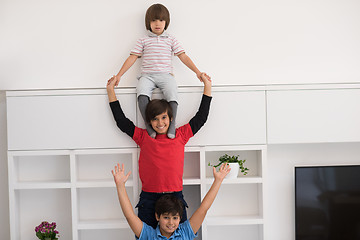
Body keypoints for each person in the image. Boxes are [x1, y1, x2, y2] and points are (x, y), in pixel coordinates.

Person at [106, 73, 212, 228]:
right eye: (155, 119)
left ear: (170, 118)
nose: (160, 123)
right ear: (149, 121)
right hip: (149, 198)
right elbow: (121, 122)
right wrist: (110, 91)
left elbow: (201, 117)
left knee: (180, 237)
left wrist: (207, 87)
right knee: (145, 236)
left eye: (163, 118)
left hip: (175, 196)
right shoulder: (144, 137)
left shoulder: (180, 135)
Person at [112, 3, 210, 139]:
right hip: (147, 76)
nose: (157, 23)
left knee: (172, 93)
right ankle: (148, 124)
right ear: (148, 22)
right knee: (141, 93)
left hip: (166, 76)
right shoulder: (143, 40)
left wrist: (197, 72)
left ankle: (171, 124)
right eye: (153, 20)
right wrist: (119, 75)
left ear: (166, 22)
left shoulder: (171, 40)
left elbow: (183, 56)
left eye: (161, 20)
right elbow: (132, 57)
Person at [111, 163, 230, 240]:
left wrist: (218, 181)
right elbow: (129, 216)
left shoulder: (185, 233)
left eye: (175, 218)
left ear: (180, 218)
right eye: (166, 217)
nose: (171, 223)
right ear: (157, 216)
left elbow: (204, 208)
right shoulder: (149, 235)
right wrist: (120, 185)